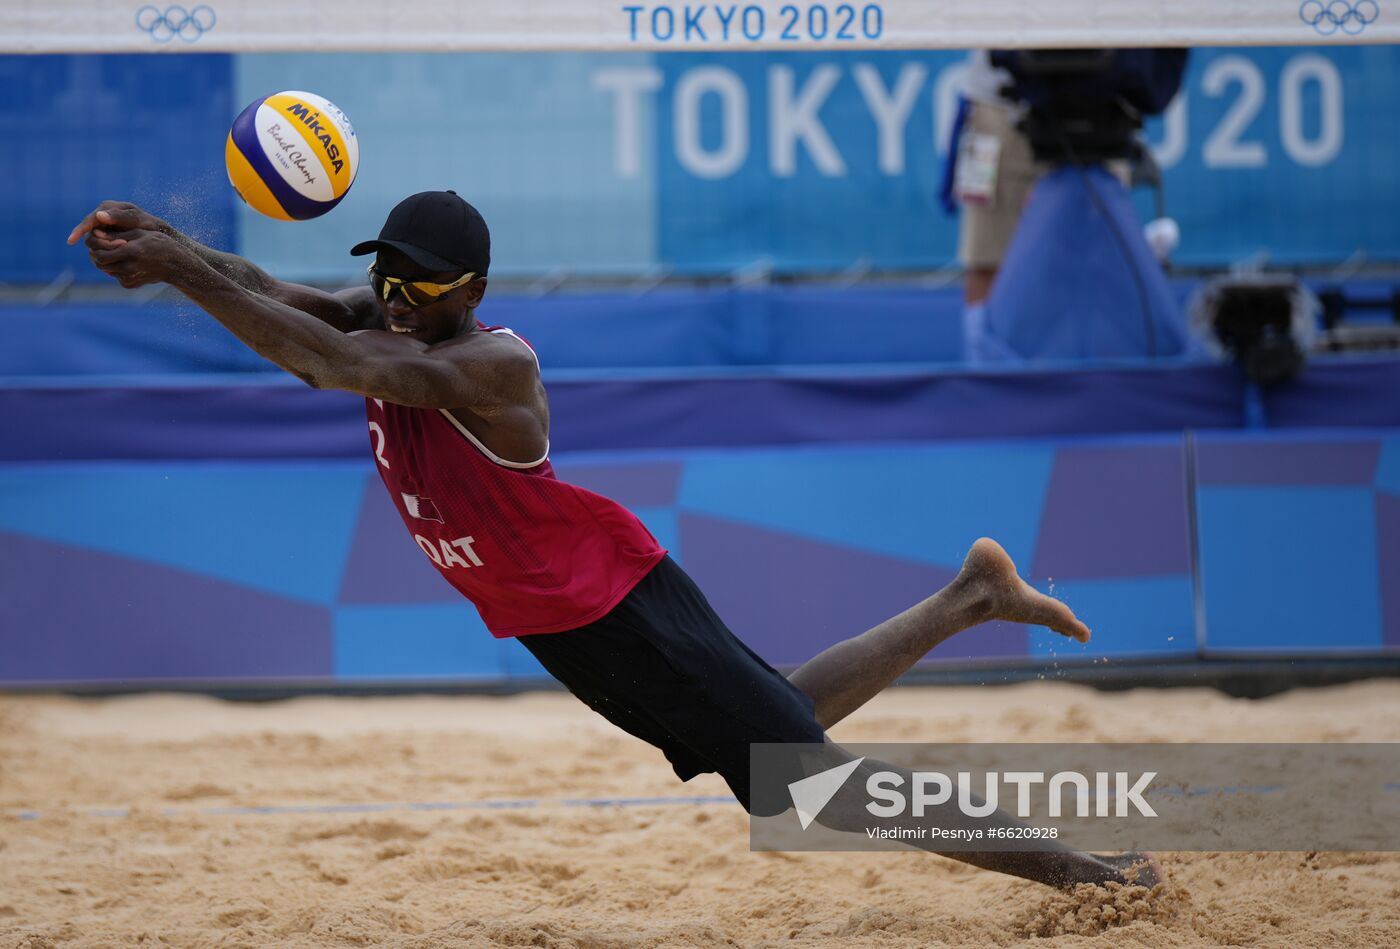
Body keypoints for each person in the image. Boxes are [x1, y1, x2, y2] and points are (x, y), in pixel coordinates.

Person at [68, 193, 1160, 890]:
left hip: (609, 599)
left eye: (421, 285)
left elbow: (329, 362)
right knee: (779, 722)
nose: (396, 300)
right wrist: (178, 246)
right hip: (561, 618)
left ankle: (1087, 874)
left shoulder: (489, 365)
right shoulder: (398, 313)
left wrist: (177, 272)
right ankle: (968, 597)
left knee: (801, 785)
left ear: (476, 294)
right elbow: (293, 299)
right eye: (386, 278)